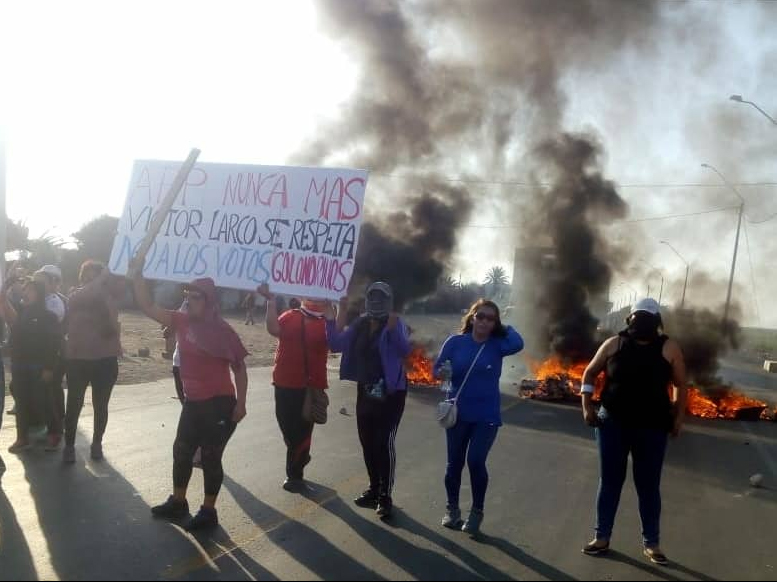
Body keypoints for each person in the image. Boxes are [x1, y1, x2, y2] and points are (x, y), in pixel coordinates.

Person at [133, 267, 249, 531]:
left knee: (209, 456)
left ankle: (209, 511)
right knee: (181, 451)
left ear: (208, 300)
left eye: (196, 296)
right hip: (194, 402)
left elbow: (239, 370)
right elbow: (147, 305)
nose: (190, 300)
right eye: (188, 294)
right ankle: (178, 502)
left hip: (220, 403)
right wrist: (137, 277)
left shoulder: (223, 330)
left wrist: (241, 404)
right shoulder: (181, 320)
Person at [580, 298, 686, 566]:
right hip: (613, 423)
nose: (642, 323)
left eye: (647, 318)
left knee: (648, 486)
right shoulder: (614, 344)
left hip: (652, 427)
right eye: (638, 318)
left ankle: (652, 544)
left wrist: (678, 416)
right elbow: (590, 374)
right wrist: (586, 406)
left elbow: (680, 385)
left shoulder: (669, 347)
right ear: (630, 320)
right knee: (610, 482)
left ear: (657, 322)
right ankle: (601, 538)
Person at [433, 299, 524, 534]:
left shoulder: (497, 345)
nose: (484, 321)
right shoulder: (455, 342)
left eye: (490, 318)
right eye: (481, 316)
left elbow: (518, 342)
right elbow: (437, 370)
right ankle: (452, 509)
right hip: (458, 413)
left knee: (475, 461)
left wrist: (506, 325)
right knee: (453, 464)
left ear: (495, 324)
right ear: (472, 317)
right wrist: (443, 372)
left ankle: (477, 511)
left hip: (486, 415)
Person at [326, 282, 411, 519]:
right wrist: (333, 316)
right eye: (372, 296)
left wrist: (394, 330)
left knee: (384, 443)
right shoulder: (360, 323)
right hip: (366, 391)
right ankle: (374, 489)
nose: (376, 301)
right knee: (367, 442)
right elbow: (335, 344)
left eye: (382, 298)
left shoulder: (396, 322)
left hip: (391, 394)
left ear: (389, 301)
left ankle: (386, 497)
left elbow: (404, 351)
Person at [258, 284, 329, 492]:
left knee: (302, 430)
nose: (313, 298)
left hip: (309, 387)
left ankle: (295, 476)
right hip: (283, 383)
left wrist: (338, 310)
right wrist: (270, 301)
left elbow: (337, 342)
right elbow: (273, 329)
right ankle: (300, 455)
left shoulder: (327, 323)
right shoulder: (290, 316)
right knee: (287, 427)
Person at [63, 261, 122, 464]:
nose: (91, 276)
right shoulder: (75, 295)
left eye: (94, 273)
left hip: (105, 359)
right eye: (87, 273)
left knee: (101, 405)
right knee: (74, 404)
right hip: (78, 359)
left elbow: (114, 318)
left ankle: (97, 442)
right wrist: (101, 278)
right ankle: (69, 446)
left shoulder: (109, 295)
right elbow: (83, 295)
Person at [0, 278, 61, 454]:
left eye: (30, 290)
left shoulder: (49, 316)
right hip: (19, 366)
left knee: (43, 400)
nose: (26, 293)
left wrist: (49, 367)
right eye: (25, 290)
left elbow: (54, 343)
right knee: (22, 402)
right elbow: (13, 333)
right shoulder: (21, 313)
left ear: (39, 294)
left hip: (39, 366)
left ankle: (54, 433)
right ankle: (22, 437)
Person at [33, 265, 68, 450]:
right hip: (41, 353)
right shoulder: (40, 299)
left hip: (53, 353)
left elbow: (49, 327)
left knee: (51, 389)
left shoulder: (55, 301)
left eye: (42, 282)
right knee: (49, 389)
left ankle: (55, 429)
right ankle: (53, 425)